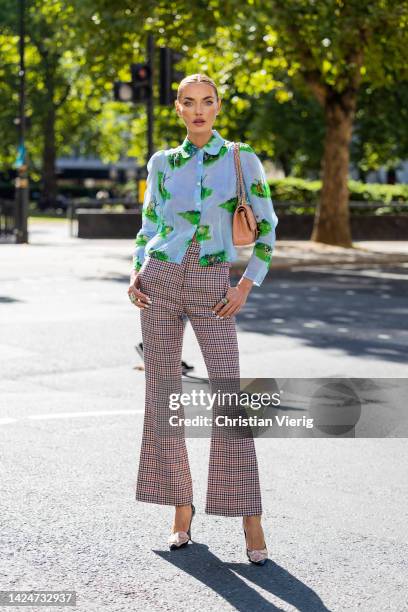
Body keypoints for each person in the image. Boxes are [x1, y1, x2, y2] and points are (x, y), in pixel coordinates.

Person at [128, 73, 278, 565]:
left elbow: (268, 228)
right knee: (162, 396)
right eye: (189, 103)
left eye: (207, 102)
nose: (198, 110)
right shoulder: (162, 163)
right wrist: (135, 274)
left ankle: (248, 515)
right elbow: (149, 225)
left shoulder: (240, 158)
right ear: (177, 108)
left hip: (215, 282)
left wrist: (245, 284)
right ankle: (180, 505)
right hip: (161, 280)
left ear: (218, 107)